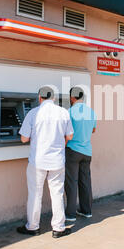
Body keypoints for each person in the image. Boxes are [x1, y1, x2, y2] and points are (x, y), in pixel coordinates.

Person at [16, 86, 74, 238]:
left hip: (38, 161)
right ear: (53, 98)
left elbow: (24, 138)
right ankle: (58, 228)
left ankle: (33, 227)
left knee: (35, 194)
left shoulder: (33, 113)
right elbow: (70, 136)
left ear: (40, 98)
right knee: (57, 194)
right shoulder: (63, 112)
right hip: (57, 161)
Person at [64, 87, 97, 222]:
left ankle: (71, 214)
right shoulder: (91, 112)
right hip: (87, 151)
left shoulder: (69, 112)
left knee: (72, 182)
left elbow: (66, 133)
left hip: (72, 150)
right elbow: (93, 130)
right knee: (85, 181)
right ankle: (86, 210)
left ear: (72, 98)